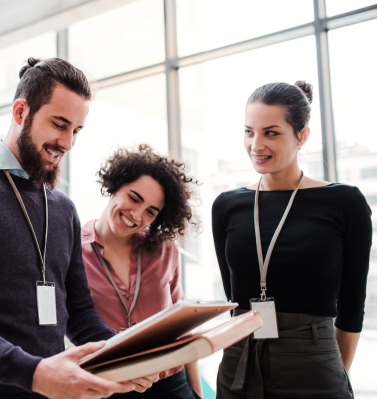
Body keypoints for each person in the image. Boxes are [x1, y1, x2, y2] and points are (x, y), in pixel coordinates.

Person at [0, 57, 151, 399]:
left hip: (49, 391)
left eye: (76, 130)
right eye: (59, 124)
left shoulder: (63, 209)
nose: (68, 142)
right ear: (20, 112)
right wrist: (34, 372)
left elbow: (80, 315)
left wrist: (125, 354)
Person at [212, 81, 371, 398]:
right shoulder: (227, 206)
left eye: (271, 133)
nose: (256, 144)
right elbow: (234, 298)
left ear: (302, 136)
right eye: (249, 131)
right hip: (240, 363)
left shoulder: (344, 202)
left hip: (314, 363)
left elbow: (352, 308)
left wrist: (334, 371)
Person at [81, 144, 203, 399]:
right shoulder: (73, 251)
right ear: (115, 185)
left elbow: (182, 327)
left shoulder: (165, 250)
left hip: (171, 386)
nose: (136, 215)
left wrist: (197, 394)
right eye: (134, 198)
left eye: (150, 211)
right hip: (109, 386)